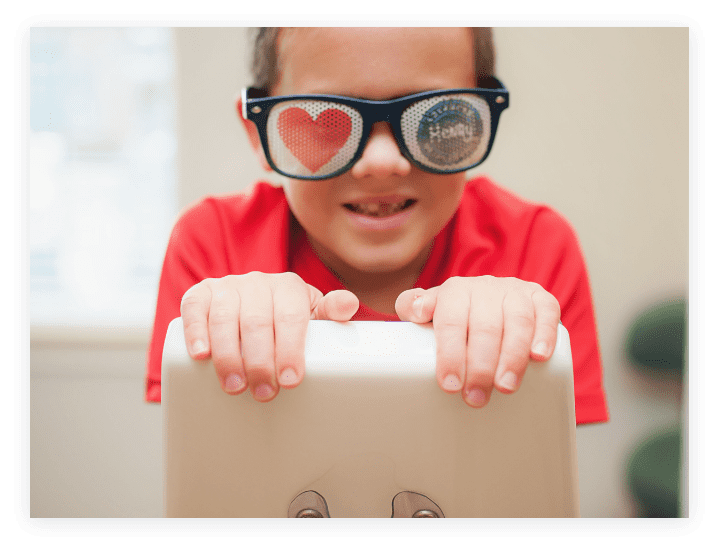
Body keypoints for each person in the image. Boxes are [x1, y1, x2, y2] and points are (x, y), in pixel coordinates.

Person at [146, 27, 608, 425]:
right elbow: (201, 474)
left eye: (433, 116)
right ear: (259, 134)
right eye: (328, 120)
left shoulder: (537, 249)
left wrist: (512, 342)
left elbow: (546, 483)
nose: (382, 162)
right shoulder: (213, 248)